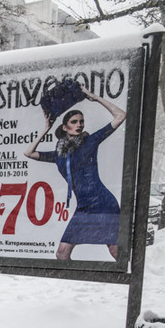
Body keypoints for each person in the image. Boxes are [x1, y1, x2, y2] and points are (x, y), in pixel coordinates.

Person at [24, 84, 126, 261]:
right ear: (65, 127)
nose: (79, 125)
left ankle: (125, 281)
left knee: (115, 251)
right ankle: (79, 286)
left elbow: (120, 115)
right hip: (84, 207)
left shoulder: (90, 141)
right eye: (74, 122)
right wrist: (46, 128)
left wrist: (93, 96)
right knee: (62, 253)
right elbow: (29, 153)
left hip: (103, 203)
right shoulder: (58, 155)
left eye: (81, 121)